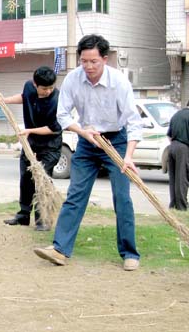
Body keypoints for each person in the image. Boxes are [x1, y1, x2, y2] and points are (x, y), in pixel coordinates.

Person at [34, 35, 143, 271]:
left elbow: (134, 122)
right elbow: (62, 116)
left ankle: (129, 253)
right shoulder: (74, 79)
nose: (89, 67)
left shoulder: (119, 82)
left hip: (115, 141)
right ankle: (60, 249)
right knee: (75, 195)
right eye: (84, 61)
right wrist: (82, 133)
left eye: (94, 61)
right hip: (86, 140)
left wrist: (128, 156)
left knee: (122, 198)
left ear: (104, 59)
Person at [0, 66, 62, 231]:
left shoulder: (57, 100)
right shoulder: (29, 87)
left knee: (42, 179)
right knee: (26, 178)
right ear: (35, 84)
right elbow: (25, 97)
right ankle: (23, 215)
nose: (48, 91)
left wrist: (29, 130)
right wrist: (6, 100)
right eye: (44, 88)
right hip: (30, 144)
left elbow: (54, 128)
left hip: (50, 146)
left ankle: (43, 220)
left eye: (51, 88)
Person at [166, 102, 189, 210]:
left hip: (172, 146)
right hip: (183, 148)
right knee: (182, 178)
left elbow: (169, 135)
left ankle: (173, 203)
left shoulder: (176, 115)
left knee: (173, 178)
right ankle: (182, 206)